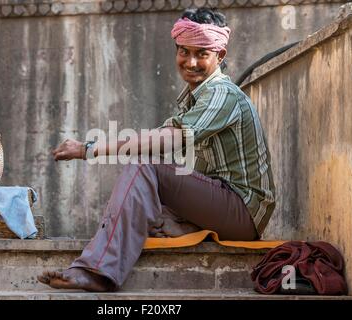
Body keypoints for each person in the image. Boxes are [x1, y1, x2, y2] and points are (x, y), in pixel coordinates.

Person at [37, 7, 275, 292]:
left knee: (144, 167)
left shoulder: (221, 93)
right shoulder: (193, 99)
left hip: (243, 211)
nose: (191, 62)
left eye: (202, 54)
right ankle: (181, 227)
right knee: (136, 201)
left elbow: (166, 141)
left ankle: (97, 271)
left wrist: (90, 149)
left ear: (220, 56)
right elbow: (166, 152)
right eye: (184, 52)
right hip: (218, 201)